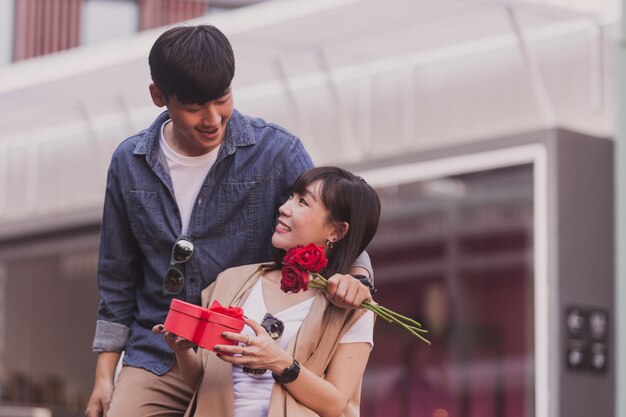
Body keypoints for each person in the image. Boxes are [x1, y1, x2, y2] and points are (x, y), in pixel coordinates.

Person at [85, 26, 374, 417]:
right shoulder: (129, 163)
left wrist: (356, 279)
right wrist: (105, 376)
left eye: (222, 100)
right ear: (158, 97)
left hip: (242, 354)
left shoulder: (276, 151)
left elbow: (330, 221)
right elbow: (117, 277)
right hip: (157, 352)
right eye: (193, 107)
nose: (212, 119)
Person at [155, 166, 381, 417]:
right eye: (292, 197)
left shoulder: (352, 309)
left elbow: (335, 403)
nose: (284, 208)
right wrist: (182, 349)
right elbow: (205, 384)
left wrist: (279, 361)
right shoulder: (232, 282)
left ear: (336, 231)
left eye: (303, 202)